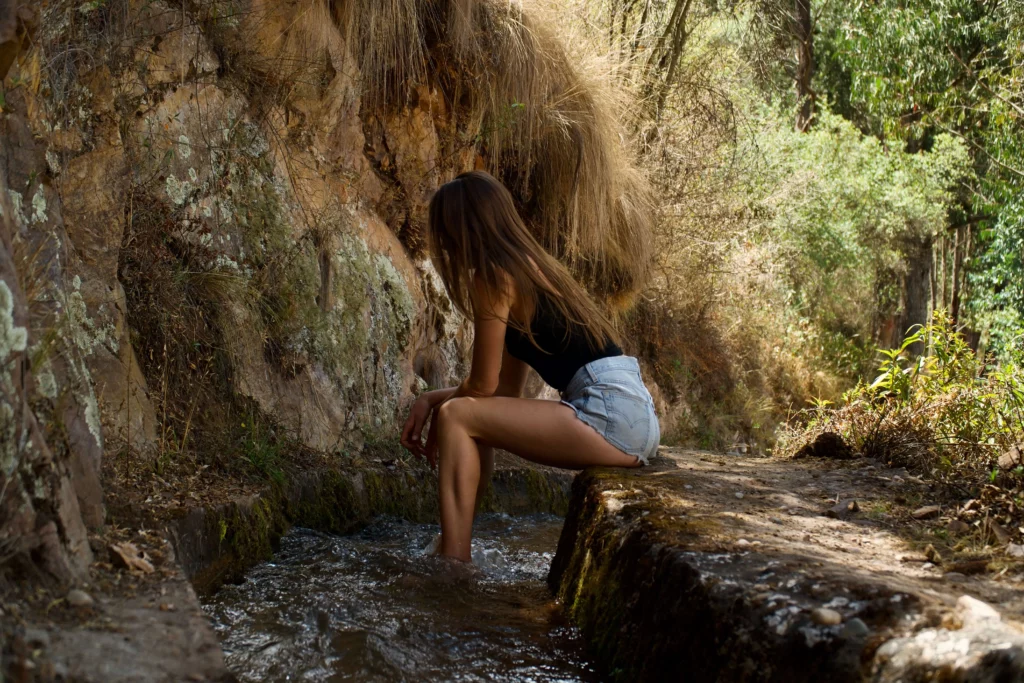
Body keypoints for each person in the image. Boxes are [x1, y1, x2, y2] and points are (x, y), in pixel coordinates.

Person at [400, 171, 659, 562]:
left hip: (609, 411)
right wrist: (433, 398)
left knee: (455, 416)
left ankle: (453, 563)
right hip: (634, 413)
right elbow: (501, 394)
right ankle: (456, 544)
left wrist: (435, 404)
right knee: (465, 417)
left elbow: (481, 387)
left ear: (460, 230)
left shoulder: (492, 277)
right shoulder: (534, 269)